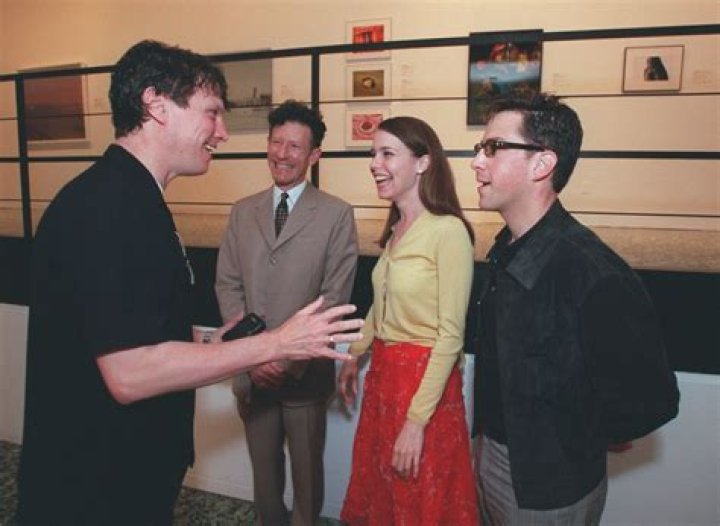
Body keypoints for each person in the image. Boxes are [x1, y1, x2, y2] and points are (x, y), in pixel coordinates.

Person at [16, 40, 362, 526]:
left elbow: (133, 332)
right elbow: (130, 374)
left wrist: (215, 344)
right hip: (93, 491)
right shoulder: (109, 208)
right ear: (156, 105)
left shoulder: (134, 200)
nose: (223, 132)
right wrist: (272, 344)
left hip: (122, 477)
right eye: (212, 112)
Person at [470, 92, 680, 525]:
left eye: (493, 147)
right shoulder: (507, 247)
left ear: (542, 164)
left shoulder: (590, 269)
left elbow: (650, 399)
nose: (477, 162)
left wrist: (584, 435)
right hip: (492, 456)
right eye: (480, 148)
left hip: (549, 484)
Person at [215, 99, 358, 526]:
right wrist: (255, 356)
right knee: (264, 478)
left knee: (307, 478)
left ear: (314, 155)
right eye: (276, 142)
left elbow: (334, 296)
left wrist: (284, 360)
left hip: (304, 376)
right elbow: (227, 284)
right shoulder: (243, 212)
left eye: (295, 146)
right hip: (252, 373)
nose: (282, 154)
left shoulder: (336, 214)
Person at [337, 116, 480, 525]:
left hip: (423, 388)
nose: (374, 164)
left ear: (422, 162)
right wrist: (355, 354)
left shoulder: (448, 231)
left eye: (387, 154)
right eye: (373, 154)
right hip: (384, 381)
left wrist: (417, 423)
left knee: (421, 499)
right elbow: (380, 305)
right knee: (383, 493)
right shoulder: (397, 228)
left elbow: (450, 337)